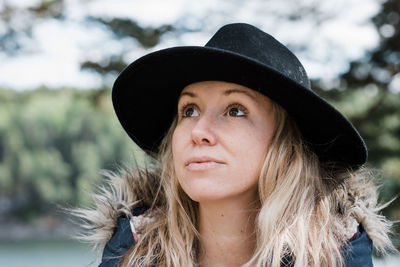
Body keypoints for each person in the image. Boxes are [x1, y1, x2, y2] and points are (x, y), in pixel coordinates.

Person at [74, 23, 396, 267]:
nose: (199, 130)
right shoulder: (130, 251)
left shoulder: (337, 256)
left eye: (235, 110)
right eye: (189, 110)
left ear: (286, 146)